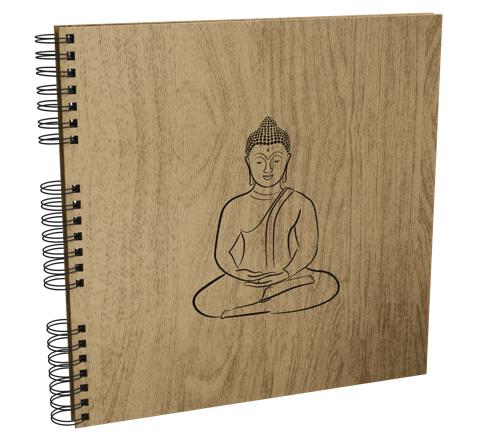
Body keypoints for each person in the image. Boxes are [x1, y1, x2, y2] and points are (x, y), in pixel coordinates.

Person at [193, 116, 339, 318]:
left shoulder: (300, 202)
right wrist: (238, 273)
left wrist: (286, 272)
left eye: (276, 160)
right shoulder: (235, 206)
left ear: (287, 159)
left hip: (287, 280)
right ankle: (266, 305)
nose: (267, 169)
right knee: (205, 301)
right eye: (260, 161)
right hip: (249, 282)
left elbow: (307, 248)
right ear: (248, 162)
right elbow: (223, 254)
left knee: (328, 284)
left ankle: (252, 308)